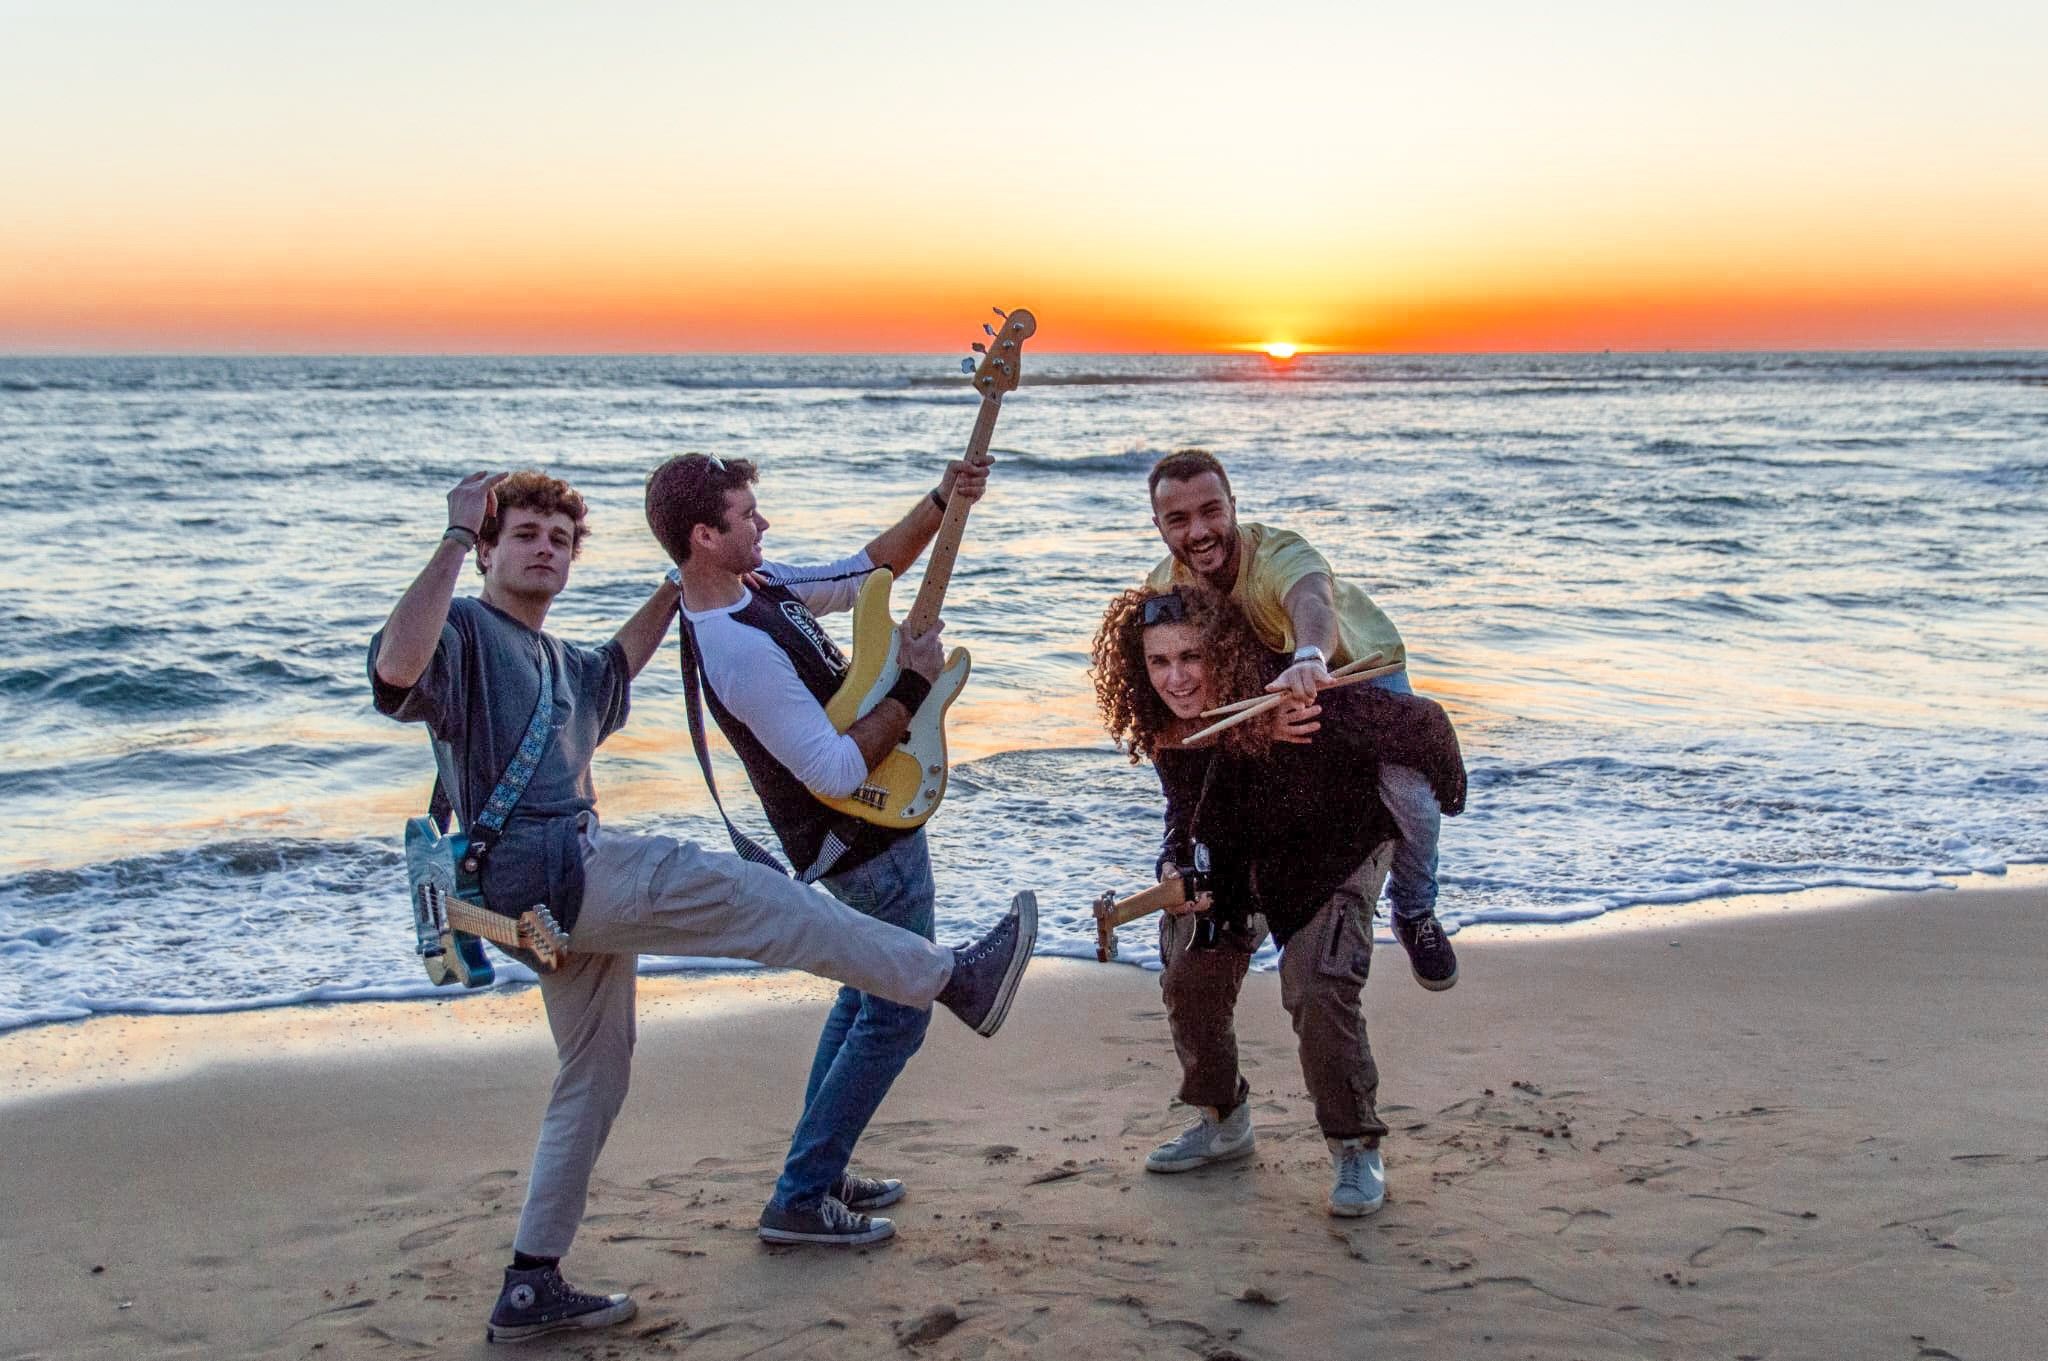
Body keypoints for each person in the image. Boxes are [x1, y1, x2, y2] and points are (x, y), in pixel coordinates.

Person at [368, 469, 1033, 1344]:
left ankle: (530, 1283)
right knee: (755, 894)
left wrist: (680, 578)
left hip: (548, 909)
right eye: (524, 535)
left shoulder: (565, 665)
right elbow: (394, 668)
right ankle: (953, 978)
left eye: (561, 540)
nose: (546, 550)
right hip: (563, 873)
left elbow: (622, 660)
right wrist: (453, 536)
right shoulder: (465, 633)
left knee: (593, 1080)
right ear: (490, 550)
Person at [644, 449, 1007, 1251]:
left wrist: (943, 498)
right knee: (896, 1012)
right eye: (746, 515)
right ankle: (801, 1196)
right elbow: (832, 770)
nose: (763, 522)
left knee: (860, 993)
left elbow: (864, 571)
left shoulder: (759, 589)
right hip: (860, 845)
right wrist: (913, 686)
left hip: (875, 834)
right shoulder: (734, 647)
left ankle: (821, 1167)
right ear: (705, 535)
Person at [1091, 584, 1465, 1216]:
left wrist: (1440, 809)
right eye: (1159, 662)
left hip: (1335, 852)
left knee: (1316, 984)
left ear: (1225, 653)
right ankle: (1222, 1120)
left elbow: (1425, 725)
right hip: (1240, 856)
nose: (1176, 678)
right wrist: (1174, 867)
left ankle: (1354, 1146)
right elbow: (1184, 810)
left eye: (1192, 657)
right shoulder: (1166, 724)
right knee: (1190, 975)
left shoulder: (1294, 699)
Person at [1142, 448, 1459, 990]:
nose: (1198, 531)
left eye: (1211, 511)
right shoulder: (1166, 587)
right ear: (1158, 526)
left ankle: (1415, 908)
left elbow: (1312, 599)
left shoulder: (1279, 554)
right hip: (1269, 680)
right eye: (1179, 519)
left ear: (1233, 506)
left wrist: (1309, 655)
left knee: (1409, 793)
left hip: (1358, 669)